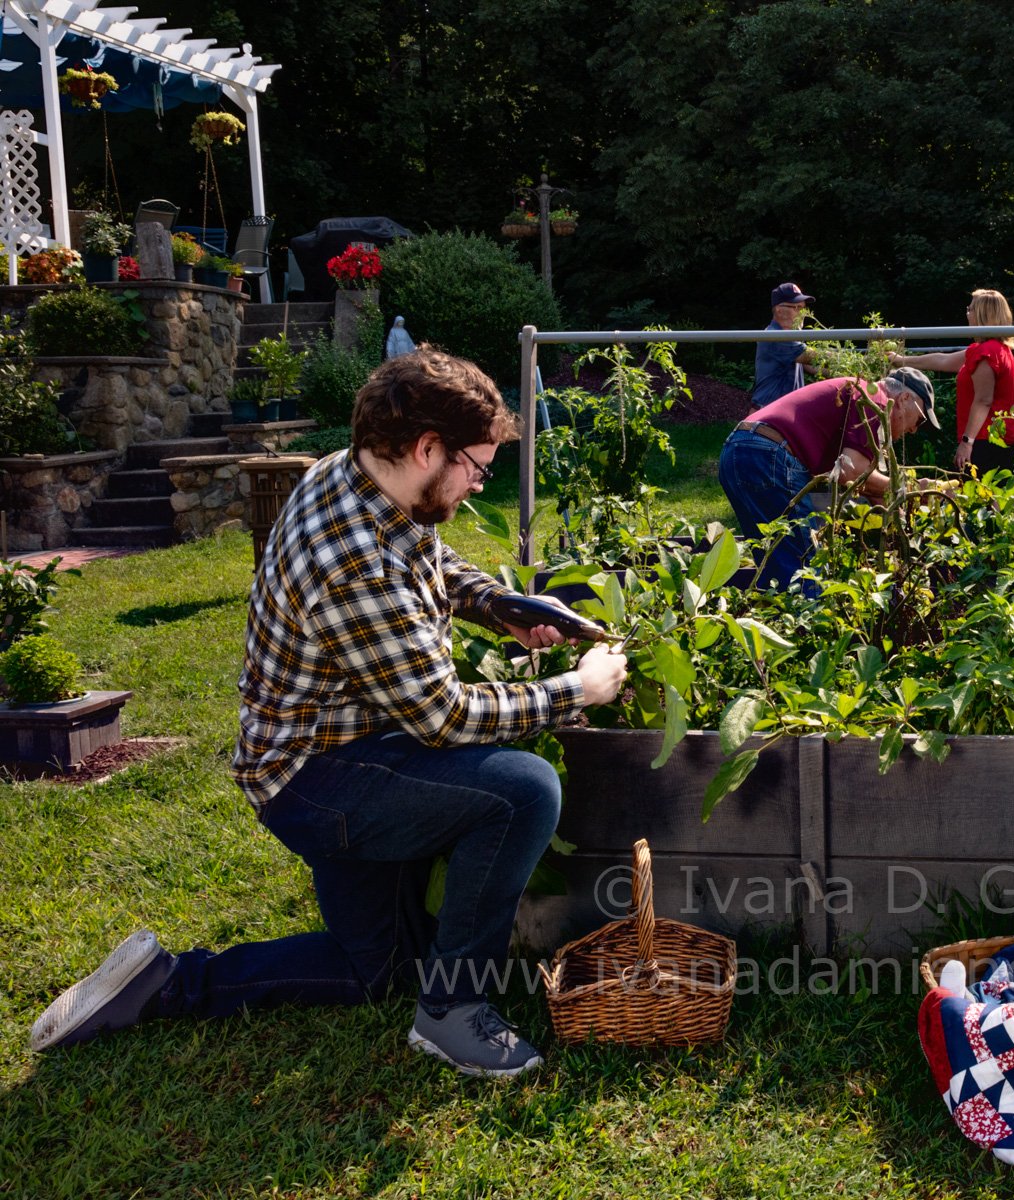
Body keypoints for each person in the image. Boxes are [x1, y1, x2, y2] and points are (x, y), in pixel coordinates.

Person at [29, 347, 629, 1079]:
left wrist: (496, 603)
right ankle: (455, 1012)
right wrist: (581, 689)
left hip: (348, 749)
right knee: (523, 790)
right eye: (476, 465)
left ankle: (164, 983)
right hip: (321, 781)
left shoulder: (355, 476)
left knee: (372, 970)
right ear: (427, 448)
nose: (477, 484)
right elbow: (444, 718)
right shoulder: (349, 557)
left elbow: (426, 559)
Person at [719, 367, 939, 590]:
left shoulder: (862, 393)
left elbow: (868, 486)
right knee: (804, 575)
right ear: (904, 398)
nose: (913, 430)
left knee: (774, 562)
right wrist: (912, 489)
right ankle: (805, 624)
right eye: (919, 421)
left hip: (738, 449)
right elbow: (850, 472)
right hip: (769, 455)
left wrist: (902, 524)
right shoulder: (875, 402)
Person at [888, 288, 1014, 474]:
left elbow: (984, 400)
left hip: (985, 441)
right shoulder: (992, 349)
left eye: (971, 309)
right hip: (996, 438)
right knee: (992, 497)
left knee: (978, 498)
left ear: (983, 314)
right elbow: (942, 360)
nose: (967, 314)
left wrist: (967, 443)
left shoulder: (987, 352)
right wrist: (901, 360)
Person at [751, 282, 816, 410]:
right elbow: (809, 357)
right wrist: (848, 359)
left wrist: (847, 373)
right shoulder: (775, 335)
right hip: (767, 414)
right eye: (796, 308)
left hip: (781, 412)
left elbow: (812, 367)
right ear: (779, 309)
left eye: (803, 308)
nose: (803, 314)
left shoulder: (791, 338)